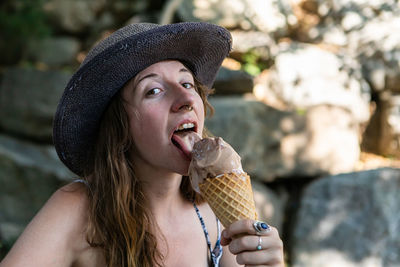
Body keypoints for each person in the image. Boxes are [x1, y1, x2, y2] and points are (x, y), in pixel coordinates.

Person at [0, 22, 284, 267]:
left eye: (187, 83)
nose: (186, 99)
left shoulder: (216, 212)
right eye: (154, 90)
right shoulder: (80, 209)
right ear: (120, 128)